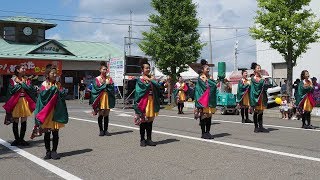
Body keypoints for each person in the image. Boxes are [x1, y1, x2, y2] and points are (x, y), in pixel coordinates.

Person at [34, 64, 69, 160]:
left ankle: (54, 151)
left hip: (56, 111)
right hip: (47, 111)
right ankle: (47, 151)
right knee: (47, 132)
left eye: (55, 73)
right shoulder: (44, 84)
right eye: (52, 73)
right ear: (47, 74)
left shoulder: (58, 84)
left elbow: (61, 95)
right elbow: (42, 97)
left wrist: (63, 92)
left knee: (55, 132)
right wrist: (52, 90)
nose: (54, 75)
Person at [3, 65, 36, 146]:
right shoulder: (12, 80)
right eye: (23, 68)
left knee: (24, 120)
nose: (25, 70)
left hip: (25, 101)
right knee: (15, 120)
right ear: (18, 70)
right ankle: (17, 139)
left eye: (25, 68)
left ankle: (21, 139)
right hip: (15, 101)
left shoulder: (27, 79)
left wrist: (21, 83)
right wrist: (20, 85)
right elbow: (11, 91)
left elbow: (29, 89)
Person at [133, 58, 160, 147]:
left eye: (149, 68)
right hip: (144, 102)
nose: (148, 69)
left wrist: (151, 80)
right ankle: (142, 139)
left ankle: (149, 139)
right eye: (146, 68)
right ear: (142, 69)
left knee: (150, 121)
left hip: (152, 101)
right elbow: (141, 90)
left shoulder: (151, 78)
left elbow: (158, 86)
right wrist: (150, 81)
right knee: (143, 120)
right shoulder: (140, 79)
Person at [89, 62, 116, 136]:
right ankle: (101, 130)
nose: (105, 70)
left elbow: (112, 88)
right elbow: (96, 89)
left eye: (106, 69)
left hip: (107, 97)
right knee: (101, 113)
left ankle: (106, 130)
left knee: (106, 114)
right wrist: (105, 85)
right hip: (100, 98)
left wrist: (106, 85)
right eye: (103, 69)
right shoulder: (97, 79)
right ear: (100, 70)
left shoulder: (109, 78)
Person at [194, 59, 217, 139]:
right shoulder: (201, 77)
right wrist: (212, 83)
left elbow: (213, 85)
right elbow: (207, 86)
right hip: (204, 100)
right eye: (207, 69)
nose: (208, 70)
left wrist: (212, 82)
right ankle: (203, 133)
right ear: (202, 70)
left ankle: (208, 132)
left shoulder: (208, 77)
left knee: (209, 116)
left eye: (208, 69)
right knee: (204, 116)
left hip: (209, 99)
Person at [250, 62, 271, 133]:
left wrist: (266, 83)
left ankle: (261, 126)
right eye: (258, 68)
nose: (259, 69)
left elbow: (267, 85)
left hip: (262, 96)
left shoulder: (262, 77)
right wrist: (263, 81)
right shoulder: (253, 78)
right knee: (256, 112)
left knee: (261, 112)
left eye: (260, 68)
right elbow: (257, 86)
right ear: (255, 70)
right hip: (256, 97)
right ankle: (256, 127)